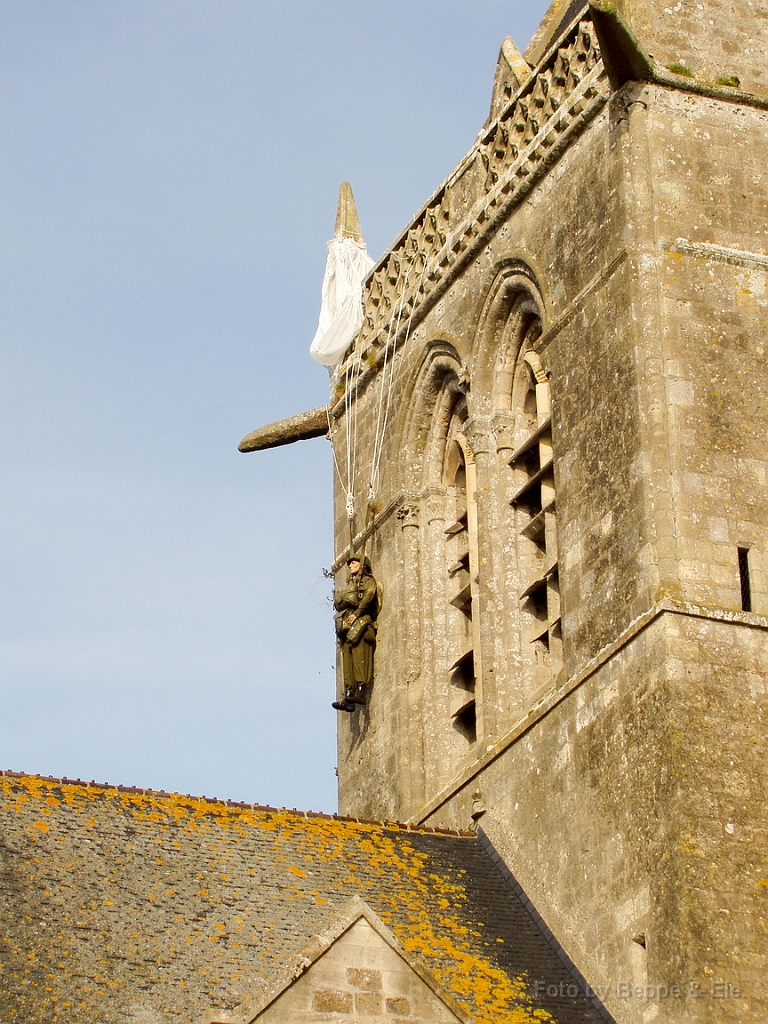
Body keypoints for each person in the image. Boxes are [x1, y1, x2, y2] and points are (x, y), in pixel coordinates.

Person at [332, 554, 378, 712]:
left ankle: (360, 690)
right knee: (348, 662)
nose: (350, 565)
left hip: (361, 625)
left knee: (360, 657)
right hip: (346, 628)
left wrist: (357, 613)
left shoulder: (368, 581)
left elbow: (369, 596)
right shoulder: (349, 585)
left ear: (362, 564)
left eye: (354, 562)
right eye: (349, 563)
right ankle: (349, 695)